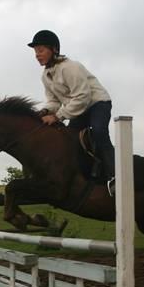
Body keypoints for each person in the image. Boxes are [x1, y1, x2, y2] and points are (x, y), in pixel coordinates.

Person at [27, 30, 115, 192]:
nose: (37, 55)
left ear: (54, 50)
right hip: (78, 109)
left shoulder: (70, 67)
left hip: (97, 103)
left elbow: (82, 96)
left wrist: (58, 116)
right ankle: (83, 174)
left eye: (40, 50)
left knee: (99, 131)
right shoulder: (46, 76)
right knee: (68, 139)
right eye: (35, 51)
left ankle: (114, 175)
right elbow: (54, 101)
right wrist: (45, 111)